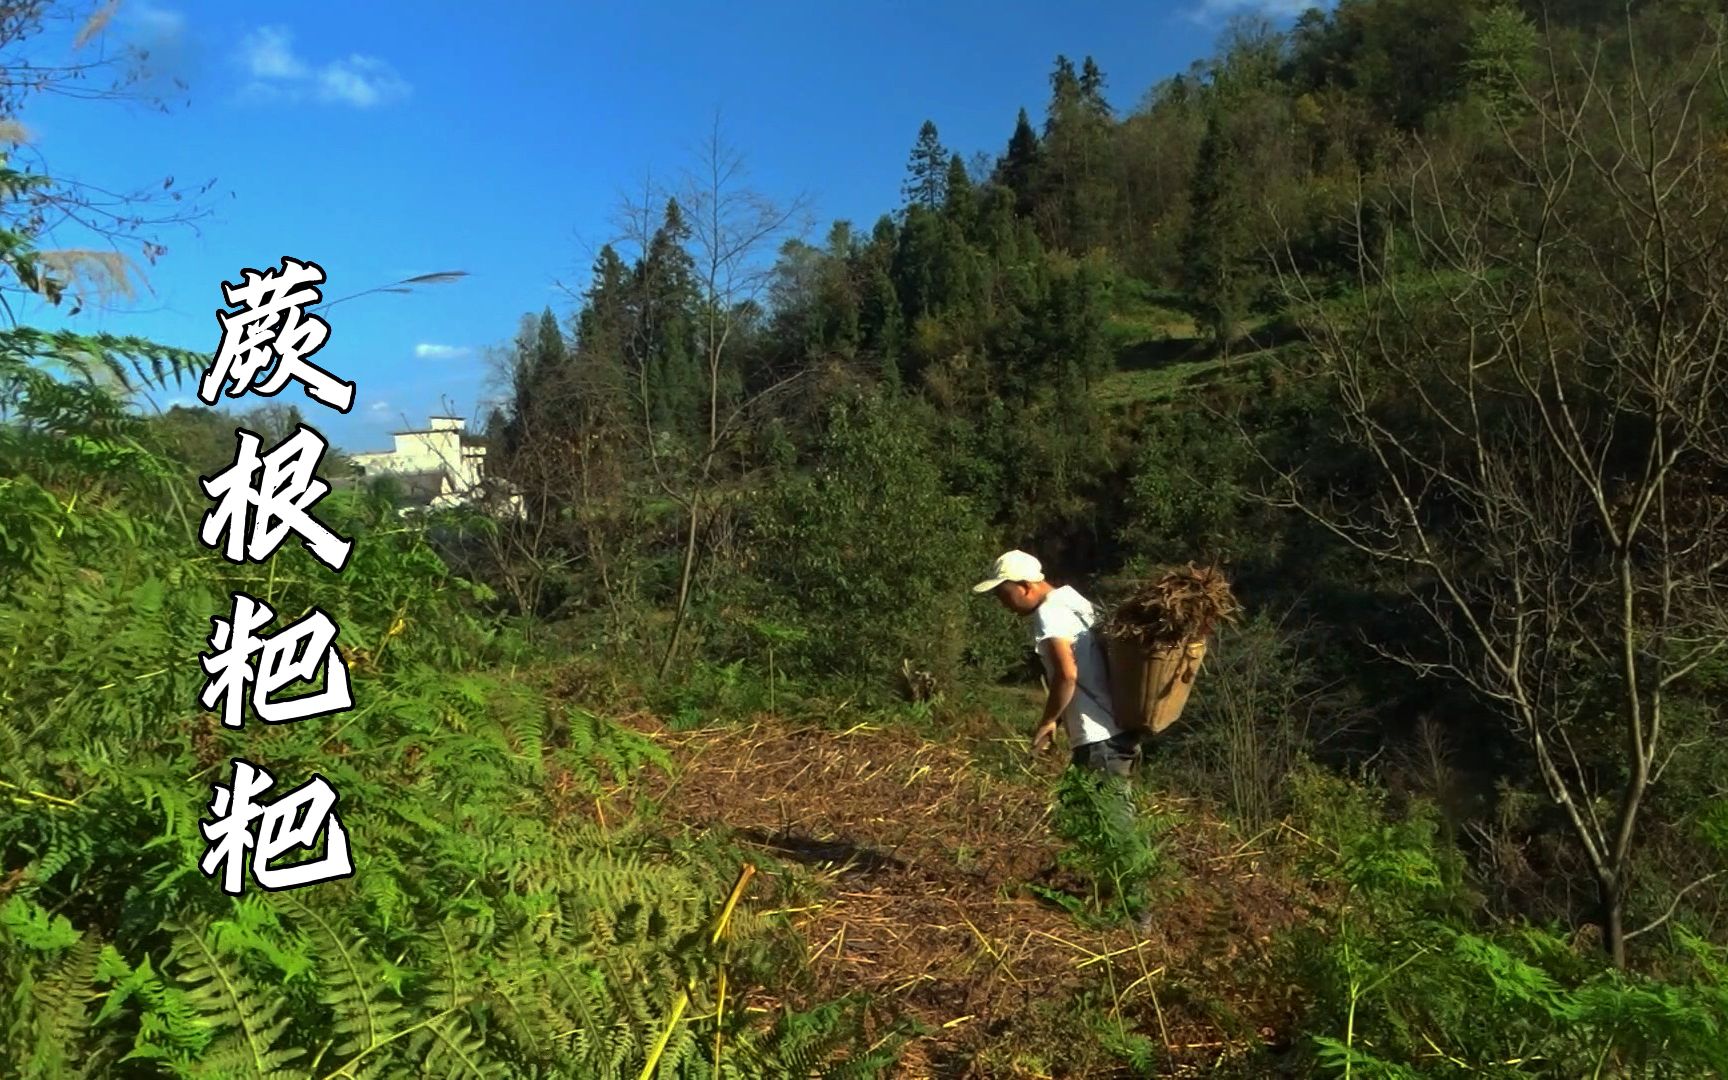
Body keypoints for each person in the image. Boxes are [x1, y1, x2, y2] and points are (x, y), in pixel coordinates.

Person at [972, 550, 1139, 777]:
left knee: (1108, 811)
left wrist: (1047, 720)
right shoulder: (1074, 602)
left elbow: (1067, 674)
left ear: (1025, 586)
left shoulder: (1048, 612)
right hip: (1116, 731)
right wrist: (1056, 722)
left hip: (1098, 737)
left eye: (1004, 594)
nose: (1003, 604)